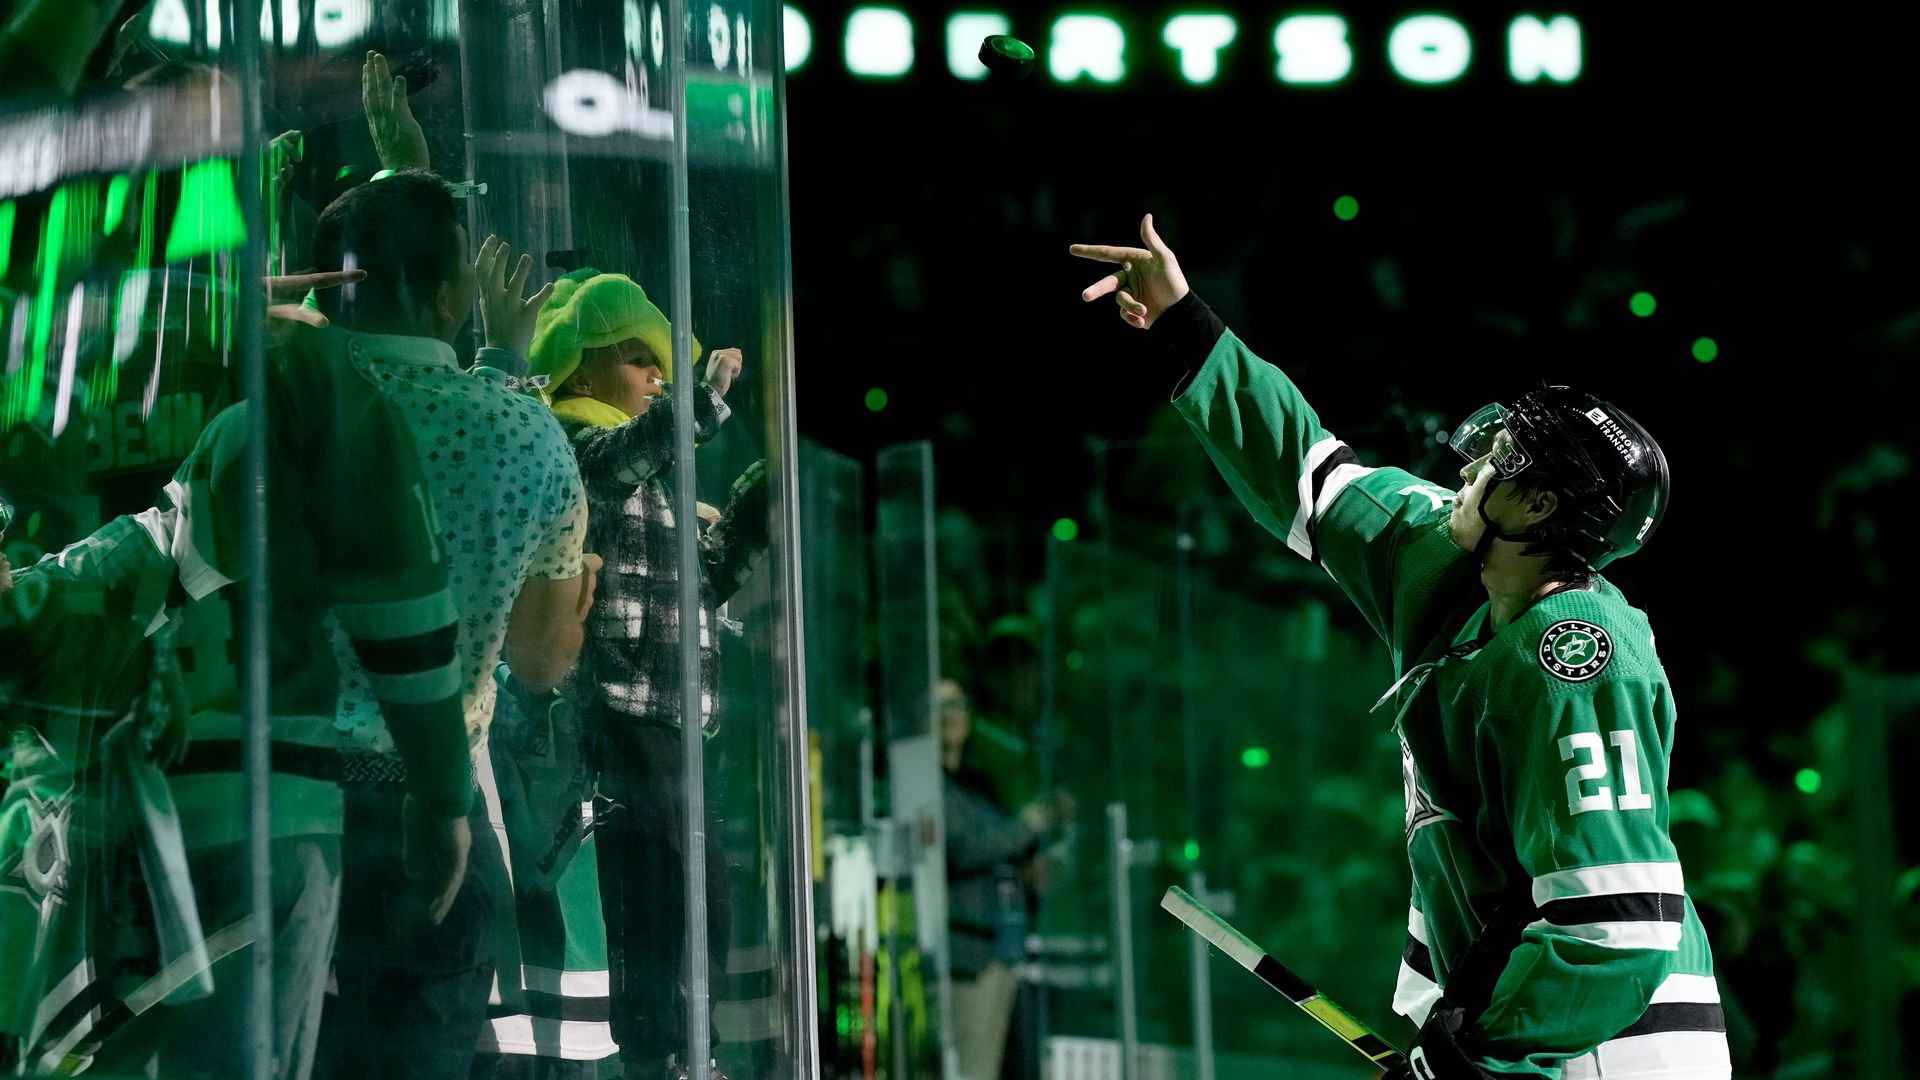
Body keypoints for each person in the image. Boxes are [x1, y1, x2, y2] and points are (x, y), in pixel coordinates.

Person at [1072, 215, 1728, 1079]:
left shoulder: (1578, 661)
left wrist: (1480, 1056)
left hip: (1603, 1046)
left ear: (1537, 508)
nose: (1468, 468)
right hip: (1506, 1022)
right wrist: (1185, 320)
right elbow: (1309, 473)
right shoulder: (1445, 555)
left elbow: (1616, 928)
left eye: (1500, 458)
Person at [0, 318, 473, 1079]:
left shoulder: (68, 382)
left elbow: (145, 552)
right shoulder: (304, 390)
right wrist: (443, 786)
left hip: (133, 819)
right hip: (268, 810)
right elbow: (401, 606)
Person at [300, 171, 598, 1080]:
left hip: (283, 809)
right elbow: (541, 660)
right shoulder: (528, 436)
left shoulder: (282, 408)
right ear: (444, 297)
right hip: (431, 819)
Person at [526, 269, 768, 1080]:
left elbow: (706, 579)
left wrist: (761, 498)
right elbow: (627, 454)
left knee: (699, 895)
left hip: (672, 713)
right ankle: (659, 1052)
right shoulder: (571, 447)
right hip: (620, 708)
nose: (657, 375)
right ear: (581, 370)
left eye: (663, 362)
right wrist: (701, 404)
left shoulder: (655, 476)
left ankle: (689, 1050)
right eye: (638, 359)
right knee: (655, 889)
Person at [938, 678, 1065, 1080]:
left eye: (958, 703)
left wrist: (1028, 870)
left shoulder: (977, 783)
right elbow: (963, 849)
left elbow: (993, 848)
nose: (952, 714)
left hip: (1000, 950)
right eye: (940, 706)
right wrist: (1026, 827)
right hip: (967, 955)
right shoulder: (929, 787)